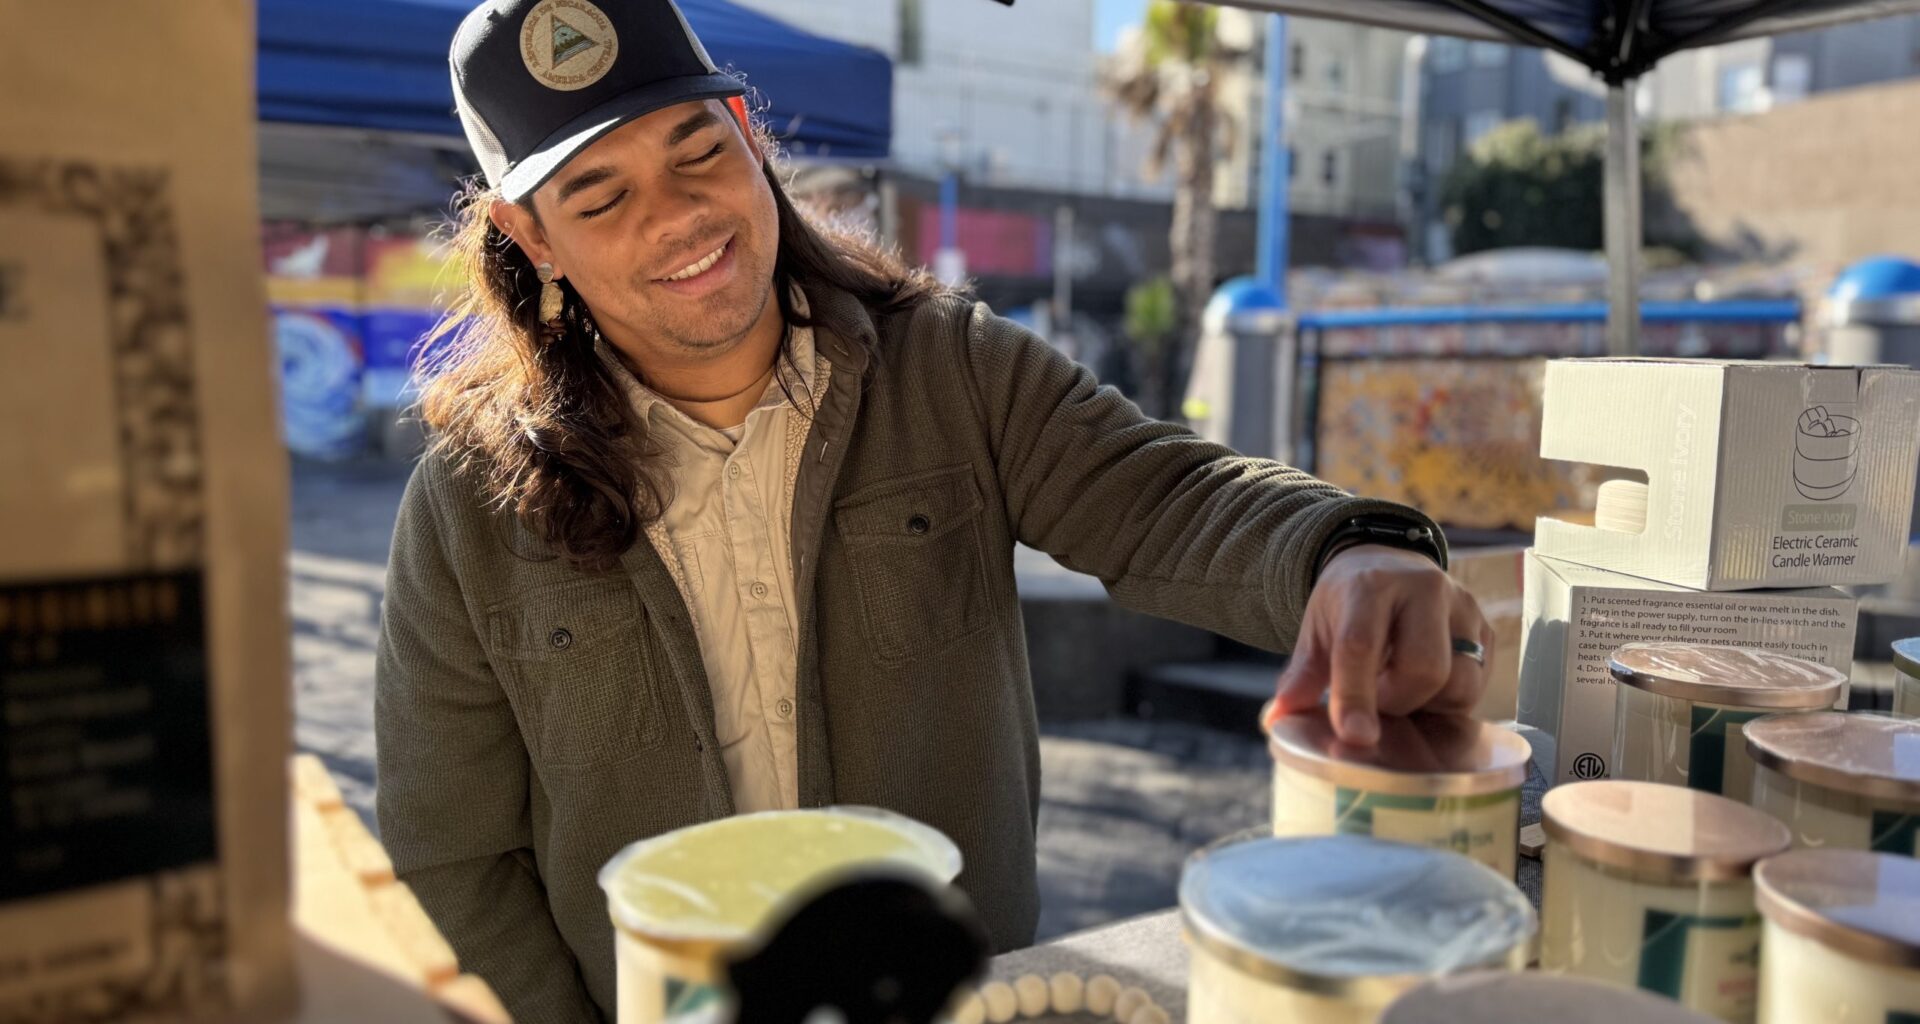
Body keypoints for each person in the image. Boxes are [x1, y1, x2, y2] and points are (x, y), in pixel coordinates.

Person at [375, 1, 1492, 1020]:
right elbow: (451, 854)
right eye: (601, 197)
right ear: (533, 237)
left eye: (697, 150)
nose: (678, 215)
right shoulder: (469, 504)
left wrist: (1350, 549)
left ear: (748, 135)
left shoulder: (952, 369)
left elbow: (1165, 495)